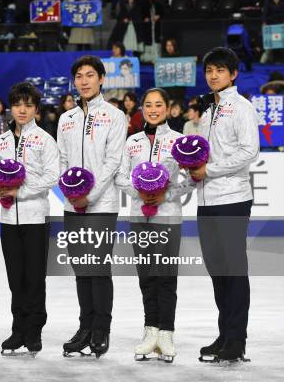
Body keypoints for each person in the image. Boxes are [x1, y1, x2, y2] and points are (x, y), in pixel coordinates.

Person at [115, 87, 195, 362]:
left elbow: (192, 179)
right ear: (142, 108)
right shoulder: (132, 142)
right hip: (139, 217)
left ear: (168, 107)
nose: (153, 109)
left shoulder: (178, 141)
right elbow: (120, 177)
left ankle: (167, 333)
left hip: (168, 217)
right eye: (148, 105)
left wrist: (166, 193)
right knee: (147, 276)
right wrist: (140, 192)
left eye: (158, 104)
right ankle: (150, 330)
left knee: (166, 277)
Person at [192, 47, 259, 363]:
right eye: (209, 71)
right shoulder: (207, 110)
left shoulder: (242, 108)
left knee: (233, 271)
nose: (213, 75)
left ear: (233, 74)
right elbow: (202, 153)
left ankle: (237, 340)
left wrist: (210, 170)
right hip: (206, 199)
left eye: (220, 70)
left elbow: (249, 152)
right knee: (217, 270)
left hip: (232, 198)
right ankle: (225, 333)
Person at [58, 55, 126, 357]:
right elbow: (61, 160)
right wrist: (70, 194)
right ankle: (85, 327)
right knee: (81, 269)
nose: (83, 81)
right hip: (73, 206)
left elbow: (113, 161)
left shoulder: (114, 115)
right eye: (79, 76)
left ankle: (101, 329)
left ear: (101, 79)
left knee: (98, 268)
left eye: (90, 75)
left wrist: (90, 194)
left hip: (101, 205)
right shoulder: (66, 118)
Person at [0, 82, 59, 356]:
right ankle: (17, 329)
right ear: (11, 106)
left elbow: (51, 177)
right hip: (8, 218)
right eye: (18, 104)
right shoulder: (1, 140)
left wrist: (20, 190)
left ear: (36, 110)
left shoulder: (45, 139)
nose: (22, 110)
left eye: (28, 105)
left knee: (34, 278)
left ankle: (34, 330)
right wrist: (0, 187)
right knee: (15, 278)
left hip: (35, 217)